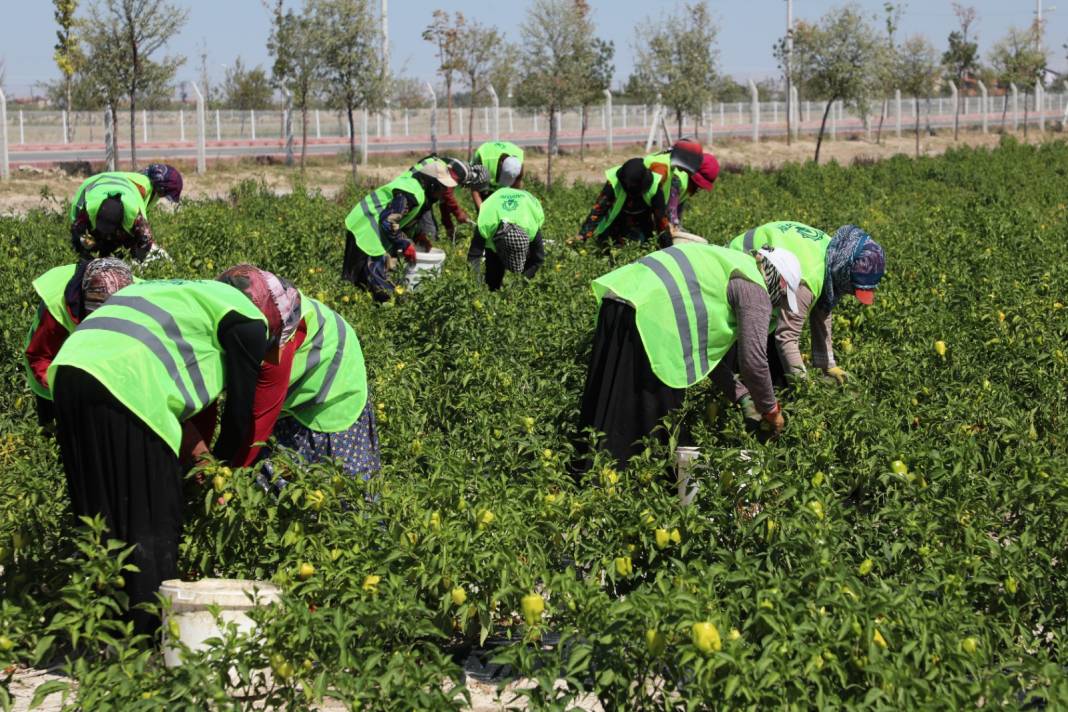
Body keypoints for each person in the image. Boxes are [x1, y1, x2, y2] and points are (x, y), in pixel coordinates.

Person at [48, 267, 299, 635]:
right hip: (127, 379)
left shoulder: (178, 294)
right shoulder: (249, 320)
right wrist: (221, 478)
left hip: (71, 369)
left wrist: (202, 462)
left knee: (100, 511)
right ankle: (147, 641)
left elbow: (170, 394)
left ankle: (102, 633)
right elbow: (239, 419)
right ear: (271, 316)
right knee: (152, 517)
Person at [578, 243, 801, 466]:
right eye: (781, 298)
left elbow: (704, 356)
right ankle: (626, 486)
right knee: (650, 426)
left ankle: (590, 477)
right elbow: (754, 362)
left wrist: (743, 396)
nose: (776, 306)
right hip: (652, 316)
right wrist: (771, 410)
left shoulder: (734, 264)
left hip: (621, 297)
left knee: (607, 404)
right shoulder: (755, 288)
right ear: (780, 282)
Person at [222, 274, 379, 482]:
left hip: (333, 389)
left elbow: (260, 417)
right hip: (302, 375)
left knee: (334, 485)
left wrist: (230, 472)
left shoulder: (278, 342)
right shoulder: (252, 308)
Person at [728, 222, 886, 385]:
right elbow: (786, 336)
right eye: (853, 287)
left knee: (775, 366)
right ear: (844, 272)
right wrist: (804, 388)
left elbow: (823, 308)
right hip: (738, 265)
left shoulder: (835, 251)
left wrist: (828, 365)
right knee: (761, 366)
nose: (852, 293)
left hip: (759, 261)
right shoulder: (808, 278)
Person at [23, 259, 134, 428]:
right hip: (52, 361)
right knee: (56, 428)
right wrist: (66, 391)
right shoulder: (56, 309)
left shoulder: (135, 291)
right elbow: (39, 358)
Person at [341, 161, 459, 301]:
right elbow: (389, 220)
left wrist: (418, 235)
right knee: (379, 289)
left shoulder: (418, 192)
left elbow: (405, 217)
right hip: (365, 229)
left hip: (366, 227)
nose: (444, 192)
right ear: (432, 184)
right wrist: (404, 244)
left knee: (362, 282)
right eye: (442, 187)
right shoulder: (412, 193)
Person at [68, 170, 177, 262]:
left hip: (125, 189)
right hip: (95, 184)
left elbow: (145, 241)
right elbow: (76, 234)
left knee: (133, 245)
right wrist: (87, 255)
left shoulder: (135, 215)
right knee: (87, 246)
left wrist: (137, 262)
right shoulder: (86, 209)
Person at [576, 157, 669, 246]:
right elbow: (599, 209)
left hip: (643, 221)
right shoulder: (614, 183)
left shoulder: (655, 188)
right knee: (610, 246)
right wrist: (582, 236)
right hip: (617, 221)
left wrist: (668, 248)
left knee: (642, 246)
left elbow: (660, 219)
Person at [468, 187, 546, 291]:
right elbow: (474, 257)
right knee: (493, 271)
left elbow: (537, 260)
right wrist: (476, 289)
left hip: (525, 202)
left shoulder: (531, 227)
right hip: (496, 201)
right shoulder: (486, 224)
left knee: (528, 269)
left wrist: (520, 285)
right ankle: (493, 289)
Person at [402, 155, 486, 249]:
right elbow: (447, 194)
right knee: (429, 232)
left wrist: (448, 225)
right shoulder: (459, 172)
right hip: (413, 190)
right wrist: (459, 213)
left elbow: (443, 200)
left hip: (418, 189)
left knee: (420, 228)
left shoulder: (457, 168)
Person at [469, 140, 525, 212]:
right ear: (500, 165)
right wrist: (482, 212)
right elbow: (475, 189)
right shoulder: (483, 158)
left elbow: (517, 186)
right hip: (484, 183)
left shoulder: (519, 159)